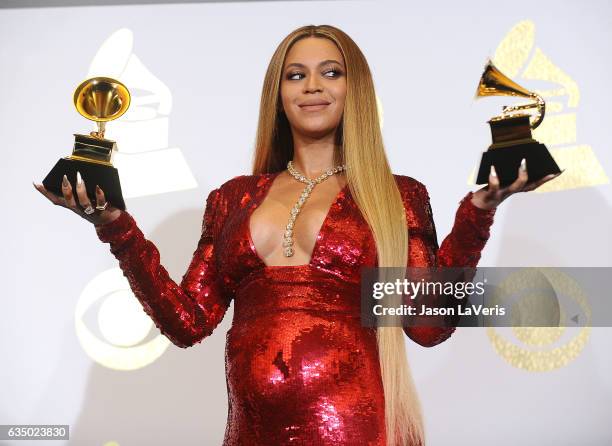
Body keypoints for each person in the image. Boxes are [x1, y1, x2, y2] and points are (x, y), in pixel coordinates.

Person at [34, 24, 561, 446]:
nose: (313, 86)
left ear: (354, 88)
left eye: (331, 72)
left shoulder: (395, 195)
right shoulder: (233, 197)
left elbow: (426, 326)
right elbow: (187, 322)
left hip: (360, 432)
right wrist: (116, 228)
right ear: (277, 92)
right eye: (296, 75)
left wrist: (479, 212)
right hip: (249, 433)